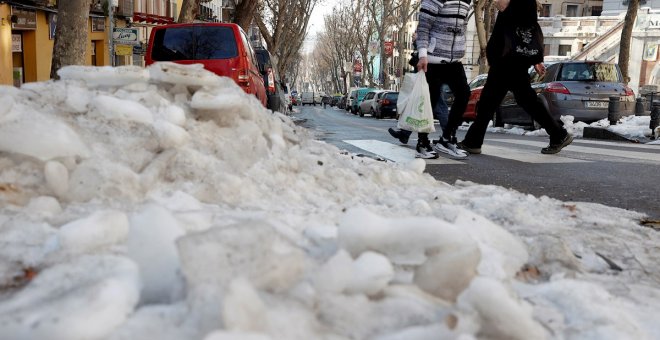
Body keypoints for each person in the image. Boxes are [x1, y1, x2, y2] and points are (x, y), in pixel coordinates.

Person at [458, 0, 572, 155]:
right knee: (519, 101)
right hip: (511, 60)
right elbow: (527, 28)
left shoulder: (520, 5)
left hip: (508, 61)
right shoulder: (524, 6)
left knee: (490, 102)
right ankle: (558, 134)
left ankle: (473, 142)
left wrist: (507, 6)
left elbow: (525, 27)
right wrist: (536, 59)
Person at [388, 1, 471, 159]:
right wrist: (423, 54)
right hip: (432, 60)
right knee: (429, 103)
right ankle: (423, 143)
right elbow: (424, 26)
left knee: (464, 94)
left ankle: (446, 139)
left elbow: (462, 27)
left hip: (454, 61)